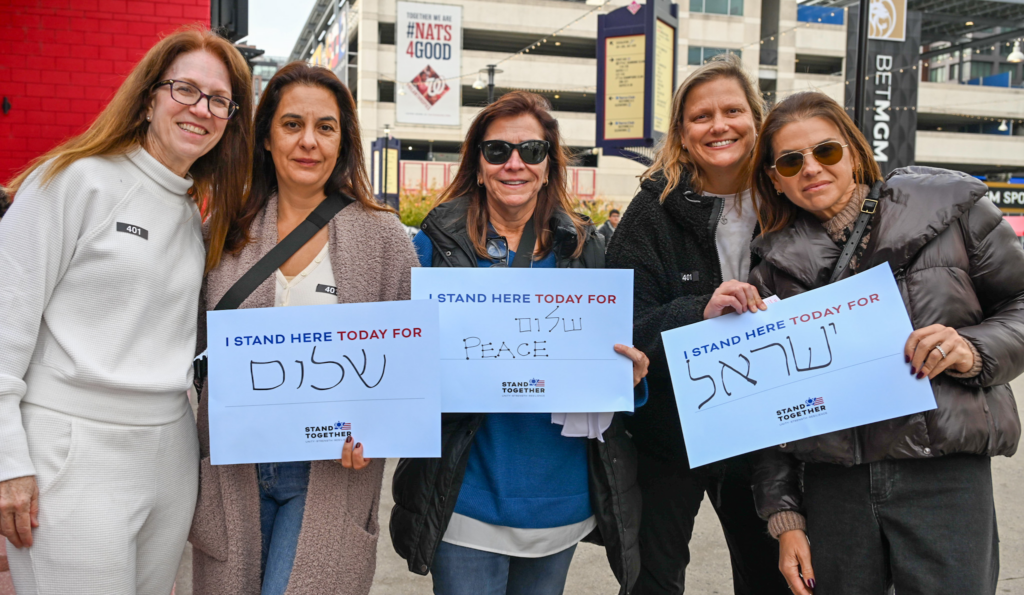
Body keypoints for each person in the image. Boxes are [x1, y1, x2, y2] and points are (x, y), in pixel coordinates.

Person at [0, 27, 252, 595]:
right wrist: (7, 462)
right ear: (147, 99)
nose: (201, 109)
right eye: (185, 89)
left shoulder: (194, 217)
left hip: (169, 453)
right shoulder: (70, 180)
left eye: (219, 100)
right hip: (74, 452)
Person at [748, 91, 1024, 595]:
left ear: (854, 151)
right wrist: (785, 518)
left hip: (943, 476)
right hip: (836, 488)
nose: (811, 168)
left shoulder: (952, 207)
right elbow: (770, 408)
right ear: (775, 178)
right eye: (791, 161)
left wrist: (973, 348)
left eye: (826, 151)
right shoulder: (770, 270)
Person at [390, 91, 650, 595]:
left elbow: (618, 359)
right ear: (478, 163)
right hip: (467, 497)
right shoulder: (432, 248)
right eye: (497, 152)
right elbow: (400, 368)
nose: (515, 163)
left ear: (549, 165)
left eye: (531, 151)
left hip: (560, 500)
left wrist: (629, 378)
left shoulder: (586, 250)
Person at [189, 63, 418, 595]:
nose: (308, 141)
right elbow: (189, 345)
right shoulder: (224, 230)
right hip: (235, 467)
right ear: (266, 136)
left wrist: (378, 430)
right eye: (292, 124)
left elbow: (409, 366)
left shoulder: (383, 237)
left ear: (344, 141)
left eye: (326, 127)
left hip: (331, 469)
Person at [605, 54, 790, 595]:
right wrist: (696, 311)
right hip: (671, 431)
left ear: (757, 120)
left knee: (770, 574)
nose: (719, 126)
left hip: (766, 429)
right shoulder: (650, 212)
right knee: (653, 580)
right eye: (701, 116)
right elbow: (622, 330)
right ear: (682, 134)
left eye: (733, 110)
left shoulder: (790, 198)